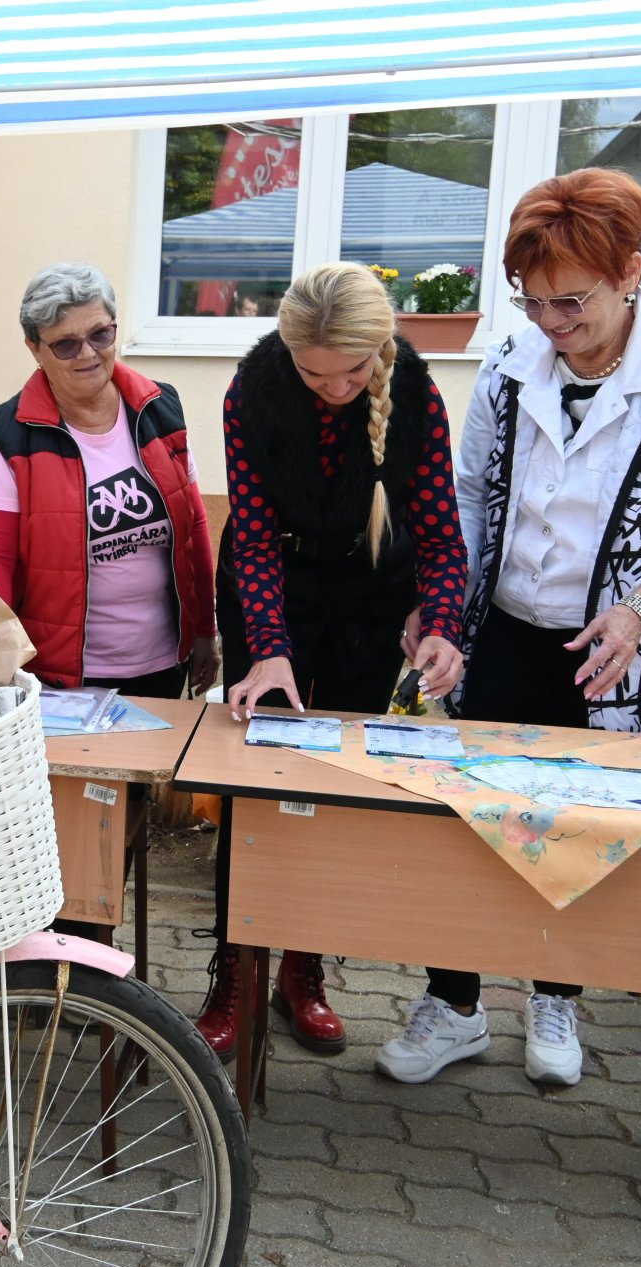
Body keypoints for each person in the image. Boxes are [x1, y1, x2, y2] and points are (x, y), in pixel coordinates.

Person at [380, 168, 641, 1089]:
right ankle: (455, 1004)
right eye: (533, 300)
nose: (550, 322)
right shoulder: (512, 361)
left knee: (585, 827)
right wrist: (441, 597)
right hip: (509, 628)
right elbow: (469, 495)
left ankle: (555, 996)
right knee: (471, 818)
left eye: (571, 302)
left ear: (630, 273)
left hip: (627, 648)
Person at [205, 261, 469, 1063]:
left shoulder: (416, 395)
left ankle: (302, 968)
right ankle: (233, 971)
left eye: (352, 372)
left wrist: (443, 626)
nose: (335, 389)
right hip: (269, 584)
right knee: (254, 782)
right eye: (315, 374)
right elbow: (252, 533)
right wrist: (270, 651)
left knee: (332, 782)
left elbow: (439, 534)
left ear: (378, 350)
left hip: (368, 591)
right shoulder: (251, 392)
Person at [0, 262, 218, 699]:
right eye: (65, 344)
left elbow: (194, 525)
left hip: (162, 664)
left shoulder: (160, 409)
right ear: (34, 348)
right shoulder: (9, 437)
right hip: (58, 677)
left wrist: (203, 630)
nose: (87, 354)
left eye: (100, 335)